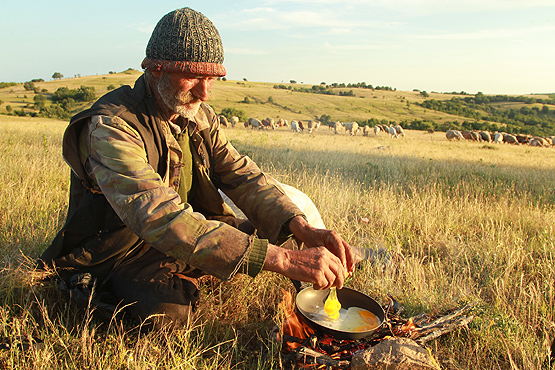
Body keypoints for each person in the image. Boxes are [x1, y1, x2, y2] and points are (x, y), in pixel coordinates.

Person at [39, 7, 355, 328]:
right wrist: (283, 260)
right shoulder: (112, 127)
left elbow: (241, 175)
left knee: (282, 230)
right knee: (168, 317)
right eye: (193, 77)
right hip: (126, 251)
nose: (204, 92)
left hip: (190, 230)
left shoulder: (198, 114)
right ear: (156, 69)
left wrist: (303, 228)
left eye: (212, 79)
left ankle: (195, 270)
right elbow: (161, 218)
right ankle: (165, 283)